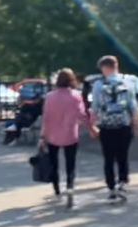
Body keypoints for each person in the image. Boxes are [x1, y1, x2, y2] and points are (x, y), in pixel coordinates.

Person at [89, 55, 138, 203]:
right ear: (116, 66)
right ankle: (122, 183)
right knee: (123, 156)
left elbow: (95, 108)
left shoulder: (98, 85)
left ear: (105, 67)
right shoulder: (128, 83)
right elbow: (133, 109)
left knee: (108, 158)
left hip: (106, 127)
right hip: (124, 126)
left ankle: (111, 188)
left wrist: (91, 126)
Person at [38, 68, 98, 208]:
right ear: (72, 80)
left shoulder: (50, 96)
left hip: (52, 134)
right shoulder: (76, 96)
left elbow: (46, 118)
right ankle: (70, 187)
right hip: (70, 133)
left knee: (53, 163)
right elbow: (82, 116)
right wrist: (92, 128)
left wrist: (42, 137)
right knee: (70, 164)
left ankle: (57, 191)